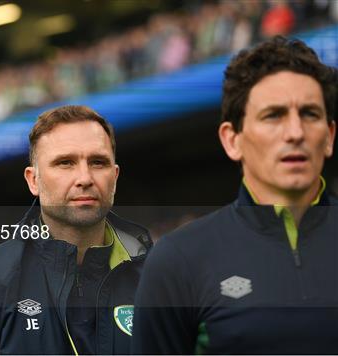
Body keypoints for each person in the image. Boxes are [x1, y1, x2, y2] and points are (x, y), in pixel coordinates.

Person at [132, 36, 337, 354]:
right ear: (232, 140)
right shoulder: (179, 261)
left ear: (329, 136)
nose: (296, 132)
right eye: (274, 115)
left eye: (310, 114)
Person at [0, 105, 153, 354]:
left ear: (114, 176)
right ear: (33, 180)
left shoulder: (158, 275)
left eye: (97, 162)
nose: (84, 178)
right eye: (65, 163)